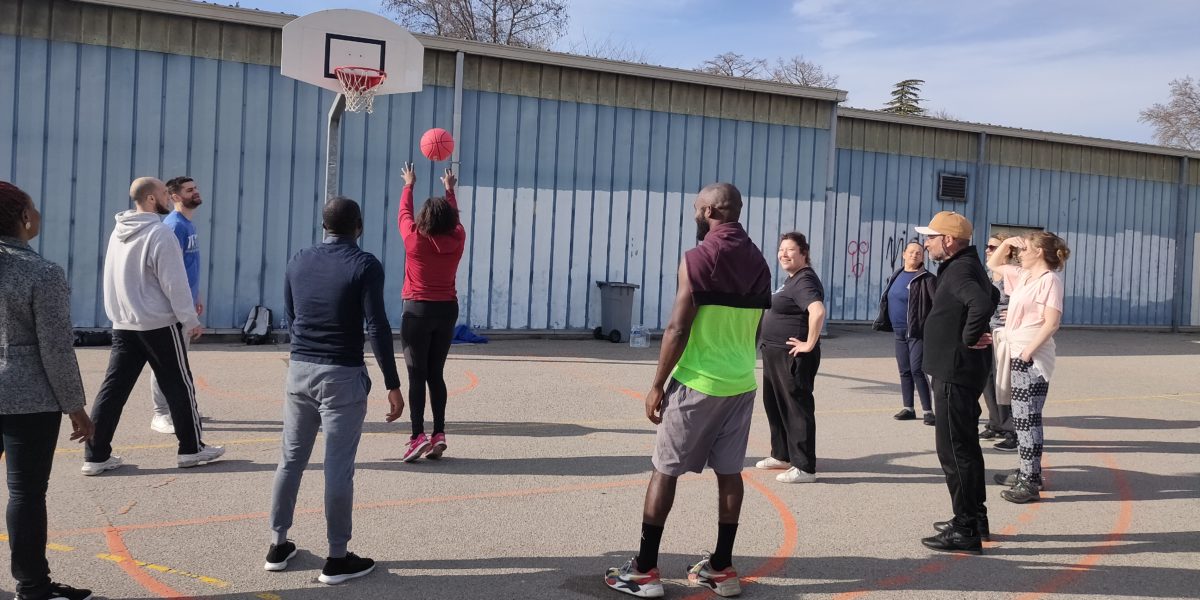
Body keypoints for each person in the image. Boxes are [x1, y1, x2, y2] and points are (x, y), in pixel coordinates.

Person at [605, 183, 771, 598]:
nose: (694, 214)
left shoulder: (698, 258)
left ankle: (644, 570)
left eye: (698, 208)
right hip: (741, 382)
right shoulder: (760, 261)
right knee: (730, 474)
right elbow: (755, 327)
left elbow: (678, 327)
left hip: (698, 381)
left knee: (665, 469)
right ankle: (722, 567)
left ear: (711, 210)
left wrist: (657, 385)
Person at [266, 197, 406, 584]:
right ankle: (337, 557)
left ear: (323, 226)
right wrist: (393, 383)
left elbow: (291, 314)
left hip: (300, 369)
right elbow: (376, 326)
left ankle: (278, 545)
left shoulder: (299, 259)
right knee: (337, 468)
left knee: (290, 459)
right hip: (341, 373)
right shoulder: (364, 264)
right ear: (358, 226)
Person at [83, 177, 223, 475]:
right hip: (158, 323)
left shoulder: (118, 232)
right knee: (180, 385)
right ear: (150, 199)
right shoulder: (159, 234)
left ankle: (95, 456)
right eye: (162, 193)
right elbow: (174, 283)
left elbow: (111, 276)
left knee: (113, 390)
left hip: (124, 324)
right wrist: (190, 320)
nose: (166, 197)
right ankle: (191, 449)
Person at [0, 181, 96, 600]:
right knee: (25, 492)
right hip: (27, 398)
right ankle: (32, 585)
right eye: (33, 209)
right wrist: (75, 406)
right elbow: (56, 348)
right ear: (24, 217)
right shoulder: (41, 272)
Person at [915, 211, 998, 555]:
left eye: (932, 237)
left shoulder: (960, 269)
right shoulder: (968, 264)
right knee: (965, 447)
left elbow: (980, 301)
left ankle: (965, 527)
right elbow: (991, 292)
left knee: (954, 451)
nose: (926, 243)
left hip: (954, 372)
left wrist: (968, 336)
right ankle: (975, 517)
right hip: (959, 370)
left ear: (949, 240)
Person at [987, 232, 1070, 504]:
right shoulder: (1024, 276)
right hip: (1016, 351)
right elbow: (993, 265)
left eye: (1026, 248)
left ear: (1039, 252)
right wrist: (1009, 242)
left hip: (1031, 356)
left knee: (1028, 418)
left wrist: (1028, 351)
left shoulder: (1050, 281)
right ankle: (1027, 470)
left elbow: (1051, 322)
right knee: (1020, 419)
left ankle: (1031, 480)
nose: (1021, 253)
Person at [396, 163, 466, 462]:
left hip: (417, 309)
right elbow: (456, 219)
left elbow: (404, 215)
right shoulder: (458, 238)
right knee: (436, 374)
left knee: (416, 375)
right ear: (451, 221)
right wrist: (450, 190)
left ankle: (416, 436)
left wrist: (408, 185)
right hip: (447, 310)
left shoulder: (414, 239)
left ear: (423, 220)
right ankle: (439, 433)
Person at [756, 232, 827, 483]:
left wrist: (809, 343)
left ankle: (805, 467)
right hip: (774, 353)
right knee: (775, 405)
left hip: (792, 357)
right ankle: (782, 454)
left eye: (790, 250)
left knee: (797, 409)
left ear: (803, 253)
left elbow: (817, 311)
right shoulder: (791, 279)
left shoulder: (804, 280)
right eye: (781, 249)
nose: (783, 254)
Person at [149, 176, 205, 435]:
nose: (195, 192)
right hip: (173, 310)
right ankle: (160, 413)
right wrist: (181, 307)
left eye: (195, 188)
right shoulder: (173, 226)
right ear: (174, 197)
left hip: (186, 304)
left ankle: (175, 407)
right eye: (189, 190)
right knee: (167, 362)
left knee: (178, 361)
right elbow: (168, 273)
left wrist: (196, 297)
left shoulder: (188, 225)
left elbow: (188, 268)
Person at [873, 242, 937, 425]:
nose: (914, 255)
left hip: (916, 331)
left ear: (922, 257)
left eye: (918, 253)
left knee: (917, 369)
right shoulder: (897, 275)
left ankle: (928, 411)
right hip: (899, 331)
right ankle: (908, 408)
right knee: (904, 370)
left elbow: (937, 305)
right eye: (911, 252)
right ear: (903, 254)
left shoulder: (927, 278)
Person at [981, 234, 1017, 448]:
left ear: (1007, 251)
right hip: (988, 331)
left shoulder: (1013, 274)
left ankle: (1012, 429)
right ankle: (996, 422)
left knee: (1005, 382)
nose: (988, 249)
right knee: (988, 380)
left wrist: (1013, 313)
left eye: (993, 247)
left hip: (1005, 333)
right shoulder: (988, 273)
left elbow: (1026, 300)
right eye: (988, 246)